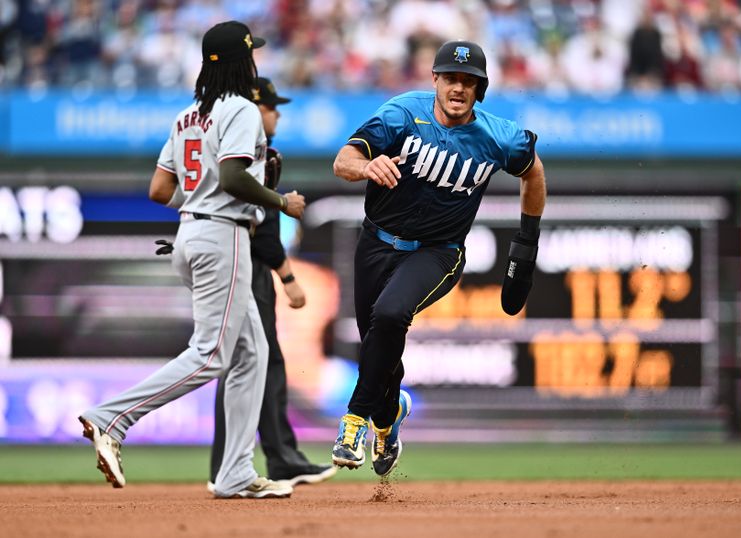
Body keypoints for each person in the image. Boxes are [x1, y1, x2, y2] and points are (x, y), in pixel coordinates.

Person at [77, 20, 305, 499]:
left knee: (252, 353)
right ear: (244, 62)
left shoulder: (187, 115)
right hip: (223, 234)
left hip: (193, 231)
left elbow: (160, 190)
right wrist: (281, 201)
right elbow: (233, 179)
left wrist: (197, 203)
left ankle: (235, 474)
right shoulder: (241, 108)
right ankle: (112, 419)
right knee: (213, 355)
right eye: (251, 54)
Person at [330, 40, 546, 476]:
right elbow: (343, 160)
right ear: (435, 80)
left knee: (391, 315)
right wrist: (366, 167)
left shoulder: (499, 136)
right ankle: (389, 420)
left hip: (438, 251)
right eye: (451, 78)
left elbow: (534, 170)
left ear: (480, 88)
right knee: (377, 341)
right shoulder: (403, 115)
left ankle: (353, 422)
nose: (458, 88)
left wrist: (527, 240)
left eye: (469, 81)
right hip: (376, 242)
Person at [207, 77, 336, 489]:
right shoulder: (254, 153)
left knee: (244, 362)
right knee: (258, 362)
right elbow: (262, 227)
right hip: (244, 263)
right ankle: (274, 459)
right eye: (272, 108)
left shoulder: (220, 145)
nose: (276, 114)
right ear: (255, 110)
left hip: (219, 256)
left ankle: (250, 462)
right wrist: (288, 276)